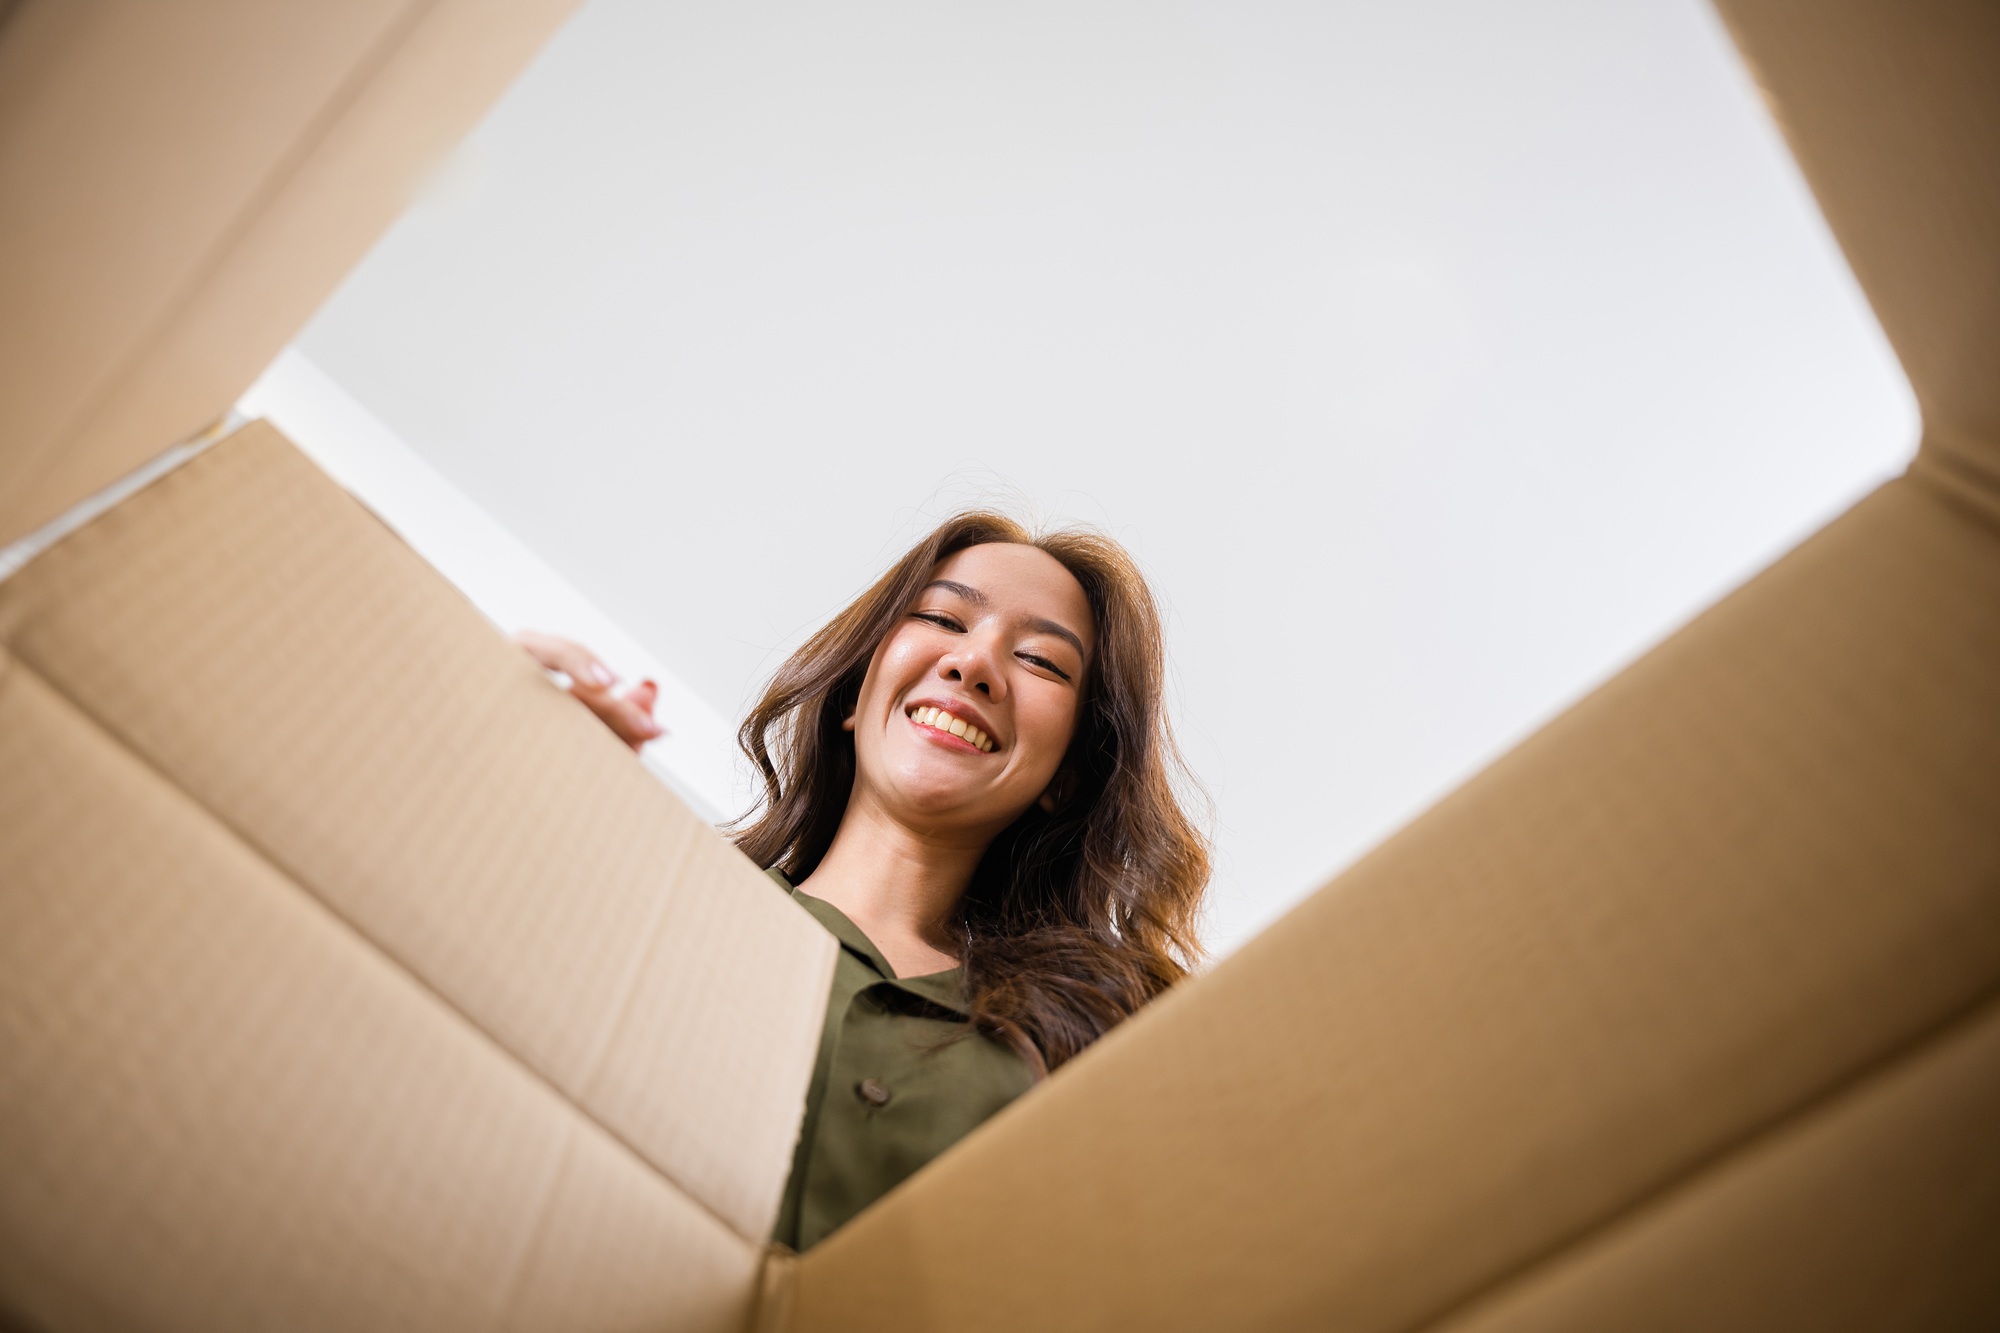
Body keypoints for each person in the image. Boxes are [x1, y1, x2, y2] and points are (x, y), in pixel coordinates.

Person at [515, 511, 1209, 1250]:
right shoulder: (663, 897)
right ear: (855, 692)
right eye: (943, 617)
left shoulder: (1097, 1040)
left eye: (1041, 660)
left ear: (1066, 776)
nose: (973, 664)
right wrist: (520, 772)